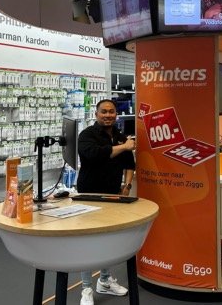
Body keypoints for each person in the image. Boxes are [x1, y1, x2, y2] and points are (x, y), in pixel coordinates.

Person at [76, 99, 136, 305]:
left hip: (113, 195)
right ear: (96, 114)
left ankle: (104, 280)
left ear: (116, 115)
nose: (108, 115)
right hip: (89, 194)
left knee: (107, 239)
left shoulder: (120, 136)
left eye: (111, 112)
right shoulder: (87, 135)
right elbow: (96, 155)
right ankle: (86, 288)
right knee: (88, 241)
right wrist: (124, 146)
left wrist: (127, 186)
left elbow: (129, 163)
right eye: (104, 112)